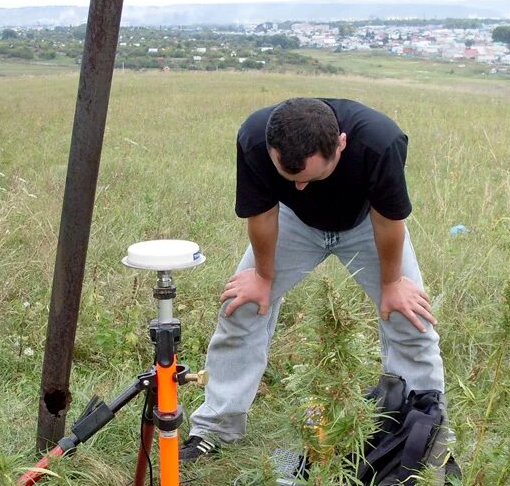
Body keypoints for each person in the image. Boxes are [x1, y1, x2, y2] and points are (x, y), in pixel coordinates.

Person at [181, 97, 448, 464]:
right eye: (291, 179)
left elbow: (389, 221)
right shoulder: (256, 138)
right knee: (240, 308)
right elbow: (262, 213)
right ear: (273, 151)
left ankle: (423, 440)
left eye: (311, 177)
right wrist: (261, 277)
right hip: (294, 225)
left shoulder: (380, 141)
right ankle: (215, 429)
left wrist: (391, 284)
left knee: (410, 316)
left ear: (341, 144)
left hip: (366, 225)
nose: (302, 188)